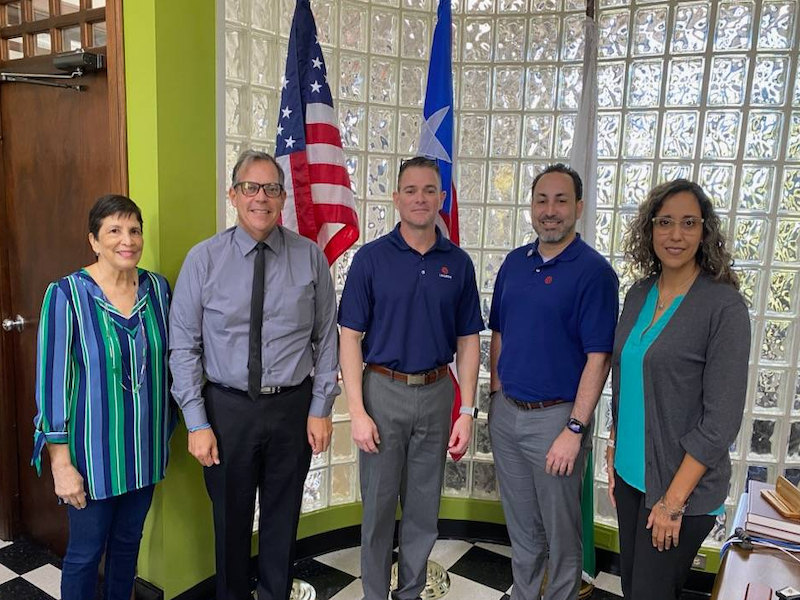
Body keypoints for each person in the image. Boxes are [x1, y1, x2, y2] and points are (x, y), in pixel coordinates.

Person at [169, 149, 339, 600]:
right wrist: (197, 421)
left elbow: (327, 340)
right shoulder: (203, 260)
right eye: (250, 187)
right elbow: (183, 346)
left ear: (283, 198)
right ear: (233, 194)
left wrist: (321, 407)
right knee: (230, 521)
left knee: (283, 520)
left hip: (291, 408)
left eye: (271, 189)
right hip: (226, 410)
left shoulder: (310, 258)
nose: (260, 198)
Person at [338, 156, 483, 600]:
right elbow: (349, 338)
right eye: (411, 190)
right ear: (396, 197)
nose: (420, 198)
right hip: (382, 392)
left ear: (442, 198)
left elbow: (468, 341)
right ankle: (376, 594)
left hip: (438, 394)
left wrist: (467, 410)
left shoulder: (457, 263)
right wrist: (357, 412)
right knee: (379, 509)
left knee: (423, 509)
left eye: (429, 190)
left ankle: (412, 590)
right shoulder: (371, 259)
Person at [607, 180, 750, 600]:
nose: (675, 235)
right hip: (633, 477)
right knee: (636, 587)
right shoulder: (639, 293)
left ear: (705, 232)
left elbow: (720, 421)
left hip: (678, 490)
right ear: (649, 230)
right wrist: (615, 448)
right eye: (665, 222)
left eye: (689, 223)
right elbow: (627, 377)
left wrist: (671, 503)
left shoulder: (723, 306)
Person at [32, 195, 172, 600]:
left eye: (134, 230)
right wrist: (61, 465)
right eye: (114, 230)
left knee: (128, 547)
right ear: (94, 240)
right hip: (91, 460)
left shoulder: (157, 290)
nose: (126, 240)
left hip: (144, 452)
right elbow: (51, 383)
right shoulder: (66, 295)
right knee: (85, 553)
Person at [488, 164, 618, 600]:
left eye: (561, 200)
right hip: (508, 416)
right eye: (542, 200)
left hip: (557, 422)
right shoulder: (513, 264)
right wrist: (494, 397)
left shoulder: (594, 273)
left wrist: (575, 429)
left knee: (562, 538)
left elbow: (598, 358)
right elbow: (499, 332)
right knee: (523, 530)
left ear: (578, 207)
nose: (550, 210)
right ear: (531, 206)